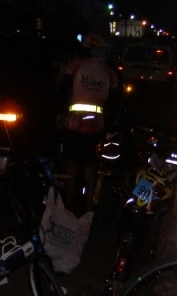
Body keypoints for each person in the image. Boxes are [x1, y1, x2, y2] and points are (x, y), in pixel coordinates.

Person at [57, 33, 119, 215]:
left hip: (73, 126)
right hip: (96, 128)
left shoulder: (73, 66)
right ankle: (89, 214)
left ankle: (69, 213)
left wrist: (59, 115)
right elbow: (115, 103)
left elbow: (63, 93)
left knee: (71, 172)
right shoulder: (110, 73)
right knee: (90, 173)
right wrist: (107, 127)